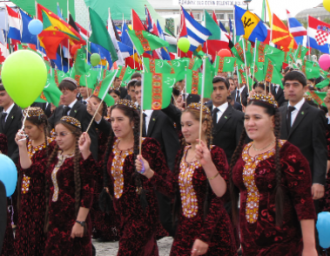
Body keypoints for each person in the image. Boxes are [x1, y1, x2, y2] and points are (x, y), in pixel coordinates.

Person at [136, 103, 237, 256]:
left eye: (189, 124)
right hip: (185, 229)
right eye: (182, 125)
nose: (184, 130)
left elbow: (219, 200)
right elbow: (172, 190)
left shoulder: (215, 153)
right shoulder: (181, 154)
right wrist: (149, 172)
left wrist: (205, 236)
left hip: (213, 231)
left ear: (204, 125)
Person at [230, 94, 318, 255]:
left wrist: (310, 247)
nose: (250, 123)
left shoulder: (289, 154)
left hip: (282, 244)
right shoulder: (243, 152)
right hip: (249, 243)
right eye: (247, 118)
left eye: (257, 117)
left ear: (272, 120)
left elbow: (304, 203)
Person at [81, 99, 172, 255]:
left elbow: (168, 186)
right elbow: (102, 178)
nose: (115, 124)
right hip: (121, 217)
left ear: (132, 122)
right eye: (112, 120)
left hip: (143, 216)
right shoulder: (112, 146)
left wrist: (149, 172)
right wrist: (86, 152)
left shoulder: (148, 146)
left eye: (120, 119)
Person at [135, 81, 180, 237]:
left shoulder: (162, 116)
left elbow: (171, 147)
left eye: (142, 91)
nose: (139, 95)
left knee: (166, 219)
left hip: (159, 176)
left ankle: (186, 239)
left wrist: (171, 174)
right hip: (141, 177)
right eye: (137, 92)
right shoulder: (135, 117)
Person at [44, 116, 94, 255]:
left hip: (74, 217)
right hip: (56, 217)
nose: (58, 138)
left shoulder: (81, 159)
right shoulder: (56, 155)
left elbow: (88, 192)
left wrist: (80, 222)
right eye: (56, 134)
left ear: (75, 135)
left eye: (63, 134)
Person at [280, 71, 327, 208]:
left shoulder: (315, 114)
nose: (291, 89)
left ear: (305, 88)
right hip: (282, 180)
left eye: (295, 85)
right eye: (287, 85)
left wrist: (318, 181)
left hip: (306, 179)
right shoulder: (279, 112)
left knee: (308, 224)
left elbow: (320, 150)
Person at [14, 107, 56, 256]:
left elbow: (31, 170)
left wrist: (21, 148)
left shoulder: (52, 146)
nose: (26, 131)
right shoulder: (28, 144)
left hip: (42, 199)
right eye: (24, 127)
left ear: (42, 126)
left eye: (29, 127)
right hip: (26, 199)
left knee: (38, 239)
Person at [48, 78, 99, 160]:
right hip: (60, 154)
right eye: (60, 93)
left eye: (65, 93)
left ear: (75, 92)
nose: (62, 96)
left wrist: (90, 159)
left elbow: (90, 137)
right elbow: (48, 125)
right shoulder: (59, 109)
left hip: (78, 156)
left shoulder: (83, 110)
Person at [206, 77, 244, 164]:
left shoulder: (238, 117)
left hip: (227, 170)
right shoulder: (203, 114)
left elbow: (240, 149)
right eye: (214, 89)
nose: (218, 92)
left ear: (228, 91)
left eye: (221, 88)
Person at [0, 84, 22, 163]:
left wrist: (11, 161)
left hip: (14, 161)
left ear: (11, 94)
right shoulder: (1, 114)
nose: (0, 98)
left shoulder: (20, 113)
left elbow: (22, 141)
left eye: (2, 95)